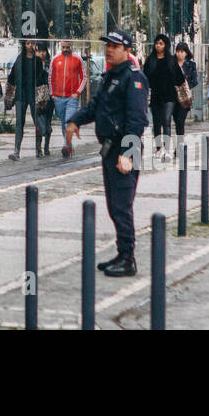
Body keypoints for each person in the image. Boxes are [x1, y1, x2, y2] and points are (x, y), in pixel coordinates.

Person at [64, 29, 149, 277]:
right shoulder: (110, 76)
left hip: (124, 150)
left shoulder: (134, 78)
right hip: (110, 150)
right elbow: (95, 107)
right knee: (114, 205)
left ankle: (128, 258)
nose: (109, 50)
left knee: (122, 206)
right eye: (107, 46)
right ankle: (122, 253)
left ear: (127, 50)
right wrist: (75, 121)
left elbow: (137, 120)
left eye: (115, 46)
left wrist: (128, 153)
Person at [143, 34, 185, 163]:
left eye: (161, 43)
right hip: (155, 95)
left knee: (166, 120)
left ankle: (167, 150)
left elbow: (180, 78)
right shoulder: (150, 60)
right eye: (156, 43)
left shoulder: (171, 60)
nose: (158, 46)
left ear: (165, 45)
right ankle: (158, 149)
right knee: (156, 123)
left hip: (169, 96)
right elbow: (144, 78)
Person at [6, 40, 47, 160]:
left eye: (32, 43)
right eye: (28, 43)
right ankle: (16, 151)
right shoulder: (20, 59)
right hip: (21, 96)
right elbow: (12, 76)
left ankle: (38, 149)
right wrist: (9, 96)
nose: (30, 46)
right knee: (19, 123)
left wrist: (43, 98)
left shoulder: (38, 61)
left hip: (34, 95)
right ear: (24, 45)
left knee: (37, 122)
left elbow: (42, 79)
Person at [49, 40, 87, 158]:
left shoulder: (77, 58)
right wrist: (52, 94)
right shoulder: (55, 59)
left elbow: (84, 77)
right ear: (61, 46)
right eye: (63, 47)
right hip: (58, 98)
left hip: (72, 98)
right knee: (63, 122)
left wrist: (77, 93)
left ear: (71, 46)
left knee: (68, 122)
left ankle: (66, 146)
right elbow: (51, 77)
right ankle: (69, 146)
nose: (65, 49)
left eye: (67, 47)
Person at [172, 41, 198, 146]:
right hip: (173, 96)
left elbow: (194, 80)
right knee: (176, 121)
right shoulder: (171, 63)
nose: (180, 54)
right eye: (178, 51)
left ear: (186, 53)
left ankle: (179, 144)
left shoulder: (191, 64)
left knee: (180, 120)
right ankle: (179, 143)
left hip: (185, 97)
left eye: (182, 51)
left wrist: (186, 84)